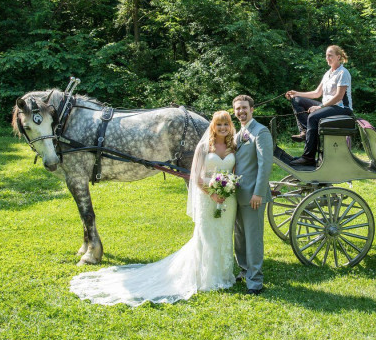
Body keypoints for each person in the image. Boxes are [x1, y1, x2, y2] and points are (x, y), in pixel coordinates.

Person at [68, 111, 238, 306]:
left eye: (226, 124)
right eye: (219, 124)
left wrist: (229, 187)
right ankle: (206, 274)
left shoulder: (233, 147)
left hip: (227, 198)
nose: (223, 128)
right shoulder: (203, 147)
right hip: (209, 195)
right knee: (206, 232)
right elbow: (196, 177)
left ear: (230, 126)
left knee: (224, 232)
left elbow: (236, 172)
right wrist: (213, 192)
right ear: (213, 126)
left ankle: (224, 272)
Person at [232, 95, 273, 295]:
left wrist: (258, 193)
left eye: (244, 108)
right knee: (239, 237)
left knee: (253, 238)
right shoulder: (238, 133)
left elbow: (265, 165)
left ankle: (255, 281)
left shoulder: (260, 131)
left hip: (252, 197)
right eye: (238, 108)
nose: (241, 111)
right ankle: (244, 270)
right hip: (236, 195)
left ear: (252, 109)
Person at [285, 45, 353, 166]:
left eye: (330, 55)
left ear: (338, 57)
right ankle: (306, 132)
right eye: (326, 55)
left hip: (342, 108)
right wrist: (296, 93)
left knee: (313, 117)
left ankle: (308, 158)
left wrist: (320, 107)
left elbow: (338, 97)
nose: (328, 58)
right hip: (329, 106)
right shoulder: (328, 73)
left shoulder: (343, 73)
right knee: (297, 100)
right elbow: (317, 93)